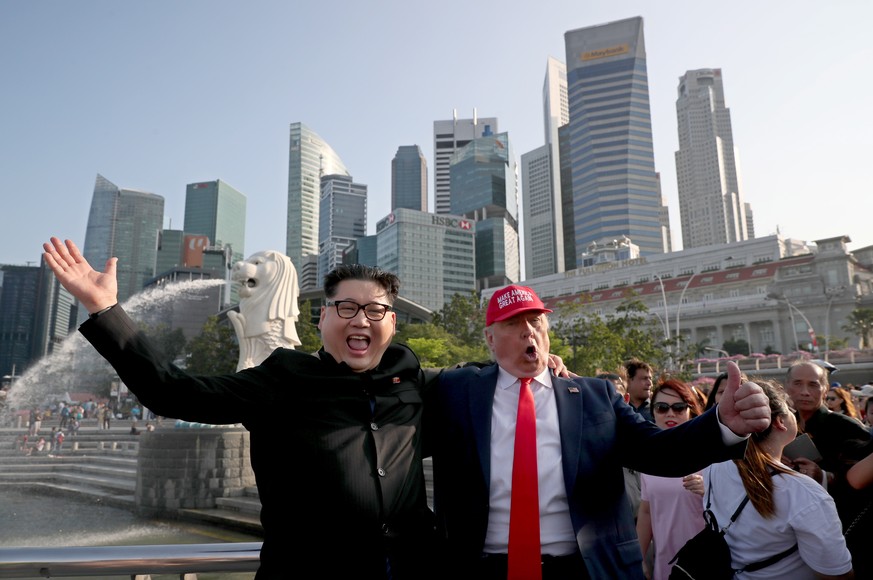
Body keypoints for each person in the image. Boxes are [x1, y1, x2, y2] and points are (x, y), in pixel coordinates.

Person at [43, 236, 436, 579]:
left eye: (375, 311)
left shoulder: (408, 377)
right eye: (347, 308)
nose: (362, 320)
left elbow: (488, 385)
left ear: (392, 322)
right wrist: (105, 309)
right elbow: (173, 392)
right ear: (323, 316)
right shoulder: (282, 379)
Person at [427, 284, 771, 579]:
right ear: (489, 337)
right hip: (483, 568)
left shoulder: (594, 397)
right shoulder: (456, 391)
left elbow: (658, 451)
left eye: (535, 322)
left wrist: (720, 424)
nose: (528, 331)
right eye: (513, 323)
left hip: (586, 568)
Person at [702, 379, 853, 579]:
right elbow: (836, 574)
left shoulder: (714, 466)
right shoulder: (803, 492)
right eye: (791, 410)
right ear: (780, 421)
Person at [636, 378, 706, 580]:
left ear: (690, 410)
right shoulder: (649, 458)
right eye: (661, 407)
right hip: (665, 565)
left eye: (678, 407)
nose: (670, 414)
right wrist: (639, 558)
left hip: (706, 563)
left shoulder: (710, 456)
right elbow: (646, 512)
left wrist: (710, 489)